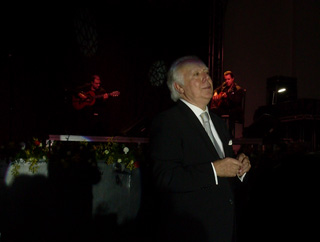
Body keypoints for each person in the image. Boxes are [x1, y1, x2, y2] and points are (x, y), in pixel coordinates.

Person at [149, 56, 251, 242]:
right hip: (192, 232)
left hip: (225, 229)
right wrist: (214, 170)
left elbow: (226, 176)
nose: (207, 78)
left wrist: (240, 168)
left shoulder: (219, 123)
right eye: (196, 74)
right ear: (179, 87)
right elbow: (164, 177)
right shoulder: (168, 122)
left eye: (207, 73)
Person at [210, 70, 246, 137]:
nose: (227, 81)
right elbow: (216, 90)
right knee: (212, 111)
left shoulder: (238, 89)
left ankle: (229, 133)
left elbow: (237, 101)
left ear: (233, 79)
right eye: (226, 79)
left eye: (228, 79)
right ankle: (217, 131)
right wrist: (215, 93)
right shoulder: (224, 86)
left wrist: (228, 96)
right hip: (225, 108)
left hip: (234, 109)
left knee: (233, 112)